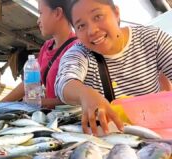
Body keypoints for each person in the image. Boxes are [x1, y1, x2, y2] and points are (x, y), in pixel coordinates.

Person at [54, 0, 172, 135]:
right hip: (106, 138)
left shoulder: (153, 39)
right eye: (81, 26)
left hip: (153, 134)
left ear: (116, 13)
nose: (92, 30)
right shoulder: (79, 53)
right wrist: (85, 94)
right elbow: (63, 82)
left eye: (97, 17)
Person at [0, 0, 78, 109]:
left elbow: (80, 98)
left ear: (58, 13)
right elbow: (27, 83)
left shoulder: (76, 48)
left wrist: (43, 102)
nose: (38, 20)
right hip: (50, 118)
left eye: (40, 13)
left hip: (69, 121)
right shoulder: (46, 47)